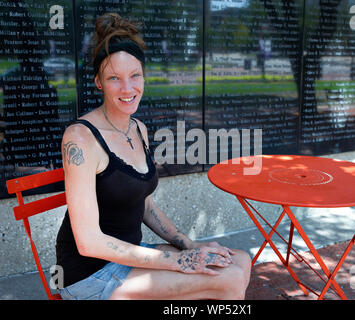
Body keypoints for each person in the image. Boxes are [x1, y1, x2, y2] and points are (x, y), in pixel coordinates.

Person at [55, 13, 251, 300]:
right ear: (98, 82)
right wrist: (178, 261)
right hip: (89, 274)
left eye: (135, 75)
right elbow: (88, 243)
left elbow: (145, 205)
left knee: (240, 260)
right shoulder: (80, 138)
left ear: (144, 76)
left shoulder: (138, 129)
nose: (127, 88)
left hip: (129, 259)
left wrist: (189, 245)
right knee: (229, 278)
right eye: (114, 78)